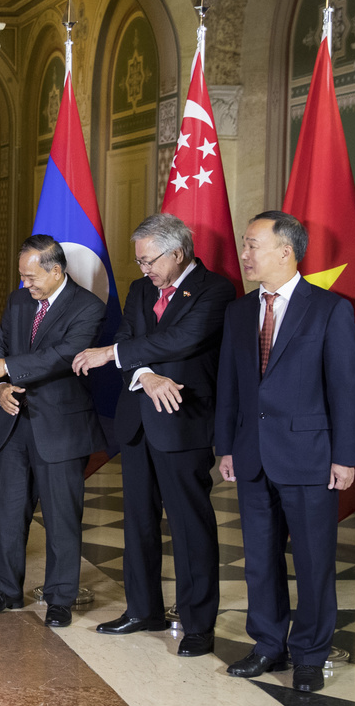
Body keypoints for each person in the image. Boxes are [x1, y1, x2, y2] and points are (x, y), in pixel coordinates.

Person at [73, 214, 235, 657]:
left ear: (176, 253)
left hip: (184, 420)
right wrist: (146, 376)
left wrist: (116, 355)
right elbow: (130, 336)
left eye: (148, 261)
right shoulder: (140, 289)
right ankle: (143, 609)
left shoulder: (216, 290)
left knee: (189, 525)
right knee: (138, 521)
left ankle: (198, 623)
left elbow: (184, 338)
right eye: (140, 261)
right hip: (140, 418)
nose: (143, 269)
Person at [215, 211, 355, 693]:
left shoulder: (329, 310)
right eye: (244, 244)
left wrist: (345, 456)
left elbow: (345, 388)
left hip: (311, 456)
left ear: (286, 251)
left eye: (254, 245)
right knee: (259, 557)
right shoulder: (238, 311)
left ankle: (310, 655)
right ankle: (268, 645)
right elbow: (229, 387)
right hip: (252, 454)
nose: (245, 254)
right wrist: (227, 447)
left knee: (314, 561)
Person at [0, 235, 106, 628]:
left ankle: (60, 598)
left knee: (62, 517)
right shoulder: (18, 301)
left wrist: (8, 369)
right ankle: (6, 591)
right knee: (8, 516)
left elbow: (62, 356)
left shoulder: (88, 307)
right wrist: (0, 387)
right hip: (16, 424)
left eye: (31, 278)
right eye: (22, 277)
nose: (25, 285)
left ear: (56, 270)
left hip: (61, 427)